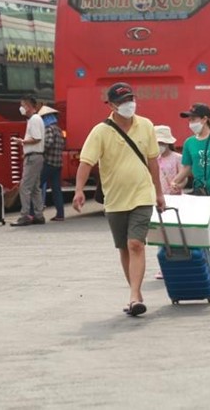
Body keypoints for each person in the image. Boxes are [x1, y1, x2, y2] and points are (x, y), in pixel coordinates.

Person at [72, 82, 165, 317]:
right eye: (122, 101)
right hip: (115, 198)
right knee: (124, 247)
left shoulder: (146, 126)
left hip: (142, 194)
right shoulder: (101, 131)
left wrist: (159, 192)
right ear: (111, 105)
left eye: (130, 99)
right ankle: (136, 293)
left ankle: (134, 296)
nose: (128, 105)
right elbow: (86, 162)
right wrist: (79, 190)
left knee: (136, 244)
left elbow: (153, 161)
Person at [171, 103, 210, 219]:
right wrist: (175, 181)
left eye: (193, 119)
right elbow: (187, 167)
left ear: (205, 119)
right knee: (202, 224)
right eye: (189, 120)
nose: (191, 123)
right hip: (200, 191)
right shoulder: (189, 143)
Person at [10, 96, 46, 227]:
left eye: (22, 105)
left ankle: (24, 215)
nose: (21, 108)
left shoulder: (34, 120)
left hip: (33, 157)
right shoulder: (36, 119)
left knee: (24, 187)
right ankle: (38, 215)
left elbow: (36, 138)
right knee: (35, 188)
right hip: (36, 156)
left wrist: (22, 142)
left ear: (29, 107)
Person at [153, 124, 182, 281]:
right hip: (158, 199)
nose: (159, 146)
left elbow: (183, 178)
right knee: (160, 234)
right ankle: (163, 266)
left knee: (175, 233)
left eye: (162, 143)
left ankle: (176, 264)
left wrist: (178, 185)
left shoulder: (177, 158)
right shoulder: (152, 160)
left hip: (175, 200)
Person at [38, 105, 66, 222]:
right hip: (58, 164)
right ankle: (60, 214)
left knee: (36, 186)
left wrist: (39, 148)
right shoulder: (59, 129)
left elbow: (48, 144)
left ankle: (34, 212)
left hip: (48, 163)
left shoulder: (49, 129)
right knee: (56, 190)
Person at [155, 125, 182, 195]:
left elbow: (184, 177)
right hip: (159, 195)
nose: (159, 145)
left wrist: (179, 186)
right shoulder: (154, 159)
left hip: (175, 195)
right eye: (156, 143)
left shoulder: (178, 157)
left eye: (161, 142)